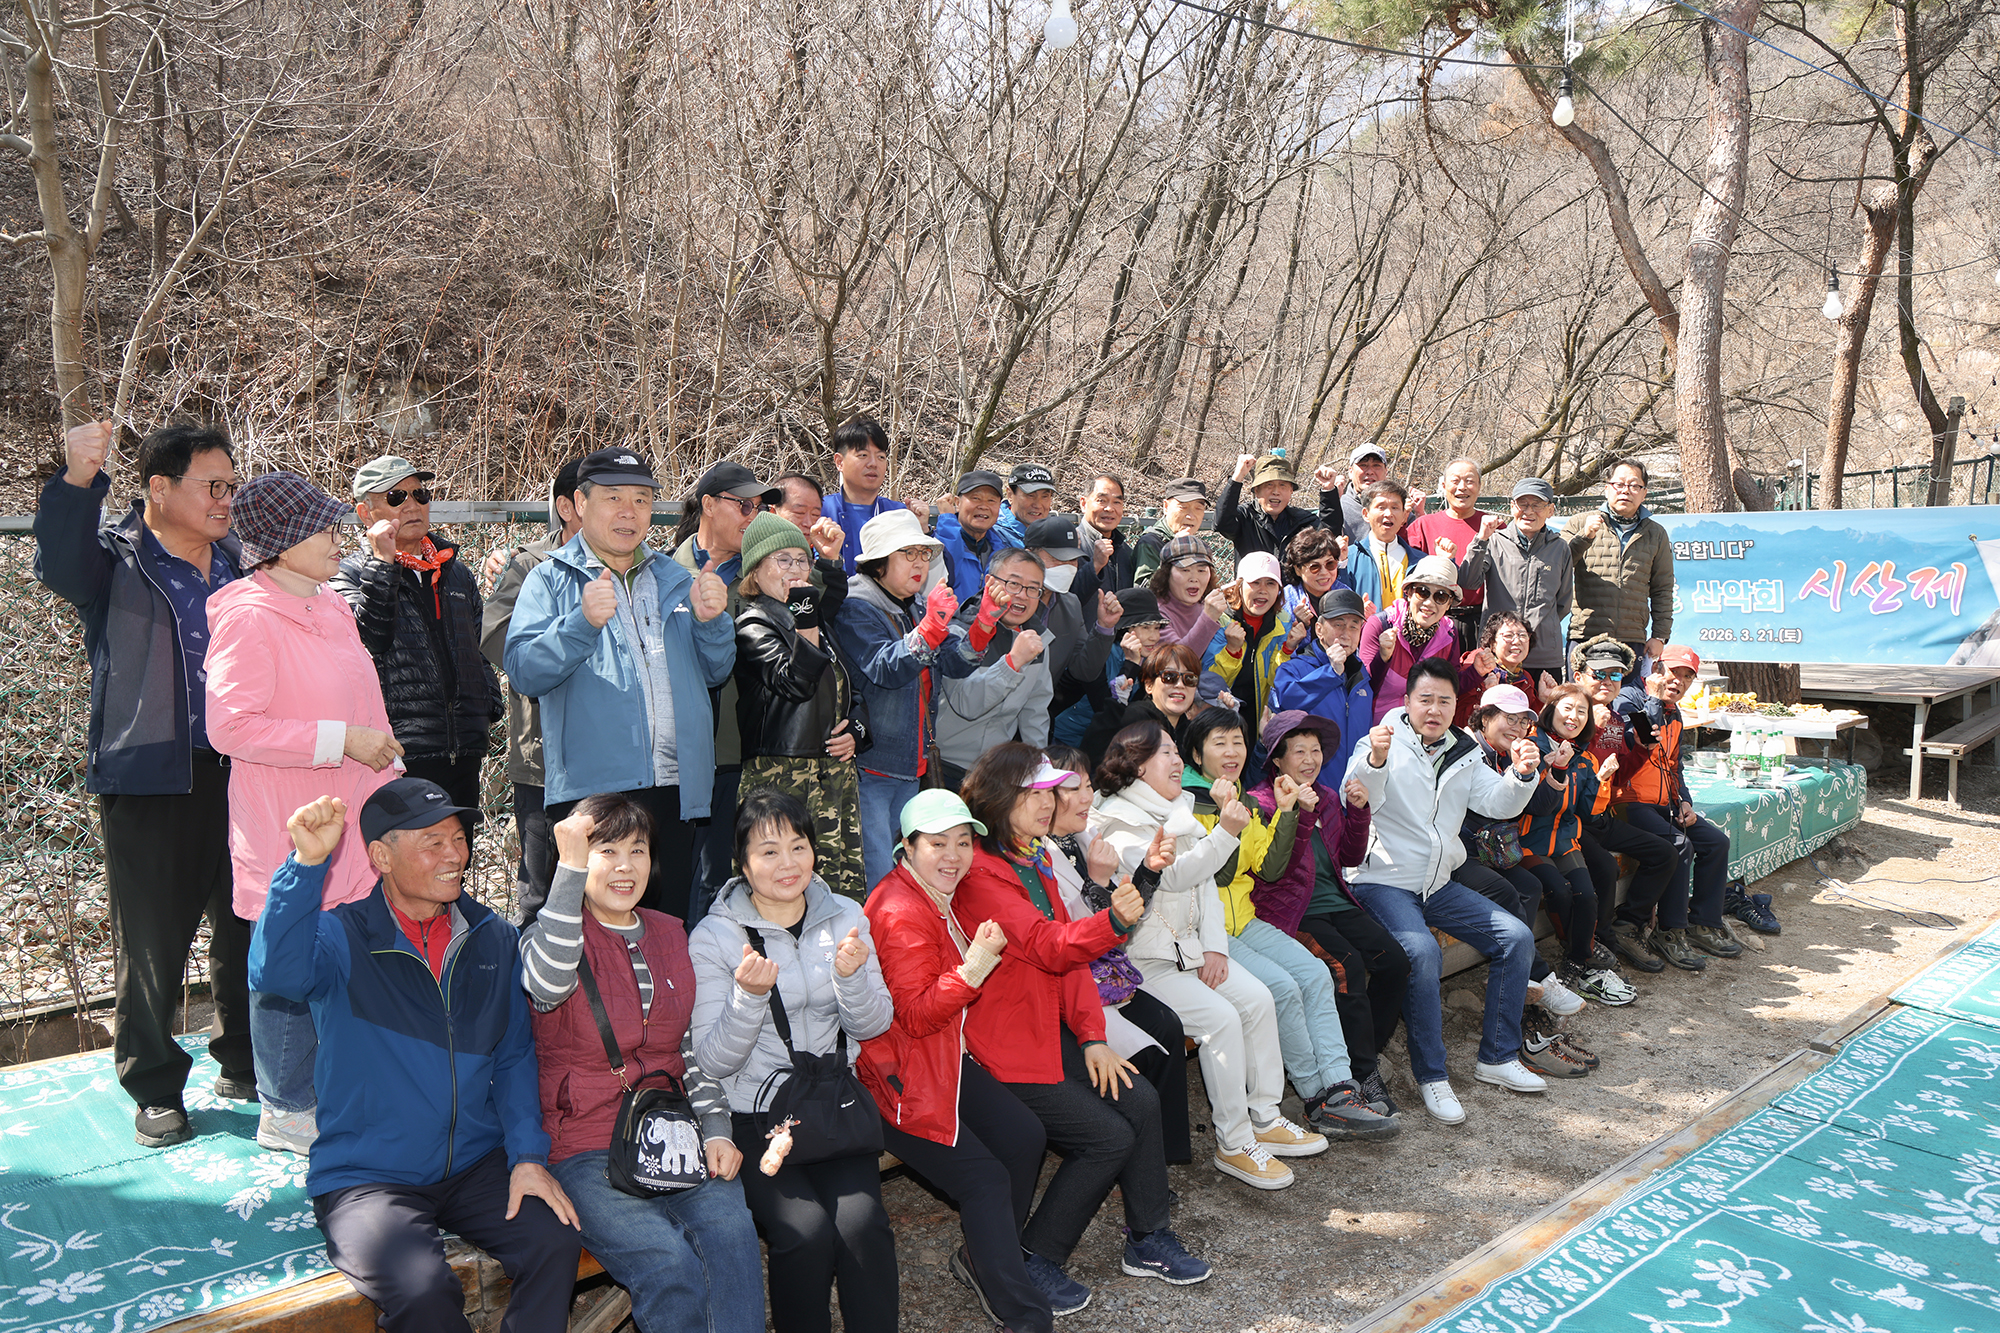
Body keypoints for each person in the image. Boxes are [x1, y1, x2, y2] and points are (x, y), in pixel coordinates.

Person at [251, 783, 583, 1333]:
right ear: (381, 856)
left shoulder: (491, 937)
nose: (456, 854)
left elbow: (515, 1056)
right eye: (433, 842)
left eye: (458, 838)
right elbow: (275, 972)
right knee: (424, 1291)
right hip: (369, 1175)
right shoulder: (341, 938)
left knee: (555, 1239)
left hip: (477, 1164)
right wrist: (306, 865)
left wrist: (527, 1156)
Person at [35, 419, 255, 1148]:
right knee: (154, 941)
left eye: (231, 485)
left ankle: (246, 1060)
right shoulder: (115, 561)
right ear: (159, 488)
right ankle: (157, 1084)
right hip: (152, 773)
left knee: (247, 923)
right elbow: (60, 564)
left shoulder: (241, 561)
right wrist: (78, 479)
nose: (226, 499)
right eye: (211, 486)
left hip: (244, 767)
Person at [950, 744, 1212, 1302]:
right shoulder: (982, 873)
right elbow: (1050, 946)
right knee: (1106, 1136)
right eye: (1033, 793)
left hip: (1049, 1029)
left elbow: (1068, 963)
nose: (1046, 804)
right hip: (1004, 1044)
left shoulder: (1035, 854)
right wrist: (1114, 920)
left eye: (1049, 791)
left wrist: (1093, 1037)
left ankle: (1147, 1235)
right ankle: (1033, 1255)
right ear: (1000, 798)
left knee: (1138, 1099)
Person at [205, 471, 408, 1154]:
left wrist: (389, 776)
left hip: (353, 813)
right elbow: (229, 726)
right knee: (289, 963)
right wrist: (339, 741)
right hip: (291, 824)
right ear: (281, 543)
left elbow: (365, 703)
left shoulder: (330, 605)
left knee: (346, 952)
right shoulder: (247, 615)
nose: (338, 537)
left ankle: (336, 1085)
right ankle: (286, 1106)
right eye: (324, 527)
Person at [519, 795, 763, 1333]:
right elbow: (545, 986)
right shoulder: (551, 935)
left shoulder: (671, 932)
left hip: (673, 1130)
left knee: (732, 1236)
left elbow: (688, 1051)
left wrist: (717, 1130)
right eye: (607, 851)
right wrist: (567, 871)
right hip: (585, 1145)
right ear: (582, 858)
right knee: (668, 1262)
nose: (625, 866)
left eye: (638, 849)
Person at [688, 789, 898, 1333]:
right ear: (742, 863)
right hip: (757, 1115)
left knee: (864, 1225)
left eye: (798, 846)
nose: (787, 864)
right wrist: (748, 997)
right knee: (803, 1234)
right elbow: (711, 1061)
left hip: (831, 1105)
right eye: (768, 851)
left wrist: (850, 981)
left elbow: (874, 1025)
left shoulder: (846, 915)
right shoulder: (715, 936)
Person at [1090, 722, 1327, 1189]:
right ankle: (1234, 1142)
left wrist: (1216, 947)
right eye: (1166, 755)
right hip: (1146, 963)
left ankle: (1264, 1117)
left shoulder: (1176, 808)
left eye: (1178, 752)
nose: (1178, 762)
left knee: (1258, 1000)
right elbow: (1171, 876)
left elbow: (1208, 889)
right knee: (1221, 1019)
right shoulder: (1116, 821)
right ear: (1137, 767)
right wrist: (1225, 834)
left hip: (1193, 950)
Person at [504, 447, 736, 918]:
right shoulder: (550, 579)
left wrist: (713, 623)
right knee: (593, 942)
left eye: (642, 500)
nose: (629, 511)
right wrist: (580, 624)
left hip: (676, 789)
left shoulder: (674, 576)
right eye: (613, 497)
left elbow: (715, 673)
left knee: (668, 931)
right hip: (593, 796)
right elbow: (525, 670)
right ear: (580, 504)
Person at [859, 790, 1055, 1333]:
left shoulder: (931, 894)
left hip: (939, 1061)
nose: (953, 855)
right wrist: (974, 967)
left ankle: (983, 1259)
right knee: (985, 1179)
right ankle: (1021, 1310)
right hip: (896, 1081)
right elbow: (918, 1016)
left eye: (963, 843)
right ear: (907, 847)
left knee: (1023, 1135)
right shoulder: (900, 912)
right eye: (937, 843)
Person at [1347, 657, 1548, 1125]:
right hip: (1383, 880)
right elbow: (1355, 791)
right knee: (1421, 952)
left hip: (1437, 882)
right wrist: (1376, 760)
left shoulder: (1464, 750)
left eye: (1444, 701)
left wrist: (1520, 775)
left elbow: (1494, 804)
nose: (1434, 709)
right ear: (1407, 701)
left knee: (1516, 937)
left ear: (1459, 706)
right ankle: (1432, 1076)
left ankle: (1497, 1057)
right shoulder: (1383, 738)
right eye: (1425, 700)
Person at [1184, 708, 1398, 1140]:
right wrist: (1228, 821)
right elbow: (1216, 877)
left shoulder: (1246, 800)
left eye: (1237, 742)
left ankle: (1341, 1086)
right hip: (1207, 930)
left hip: (1244, 920)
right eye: (1219, 743)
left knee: (1316, 975)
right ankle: (1318, 1096)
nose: (1231, 752)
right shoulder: (1188, 804)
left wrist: (1286, 814)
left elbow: (1271, 866)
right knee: (1283, 987)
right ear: (1195, 753)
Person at [1247, 710, 1408, 1117]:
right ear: (1277, 761)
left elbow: (1350, 857)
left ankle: (1364, 1052)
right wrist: (1297, 813)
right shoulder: (1262, 803)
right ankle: (1363, 1075)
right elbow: (1273, 874)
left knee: (1396, 962)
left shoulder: (1328, 797)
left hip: (1338, 902)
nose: (1309, 759)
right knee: (1348, 967)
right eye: (1298, 751)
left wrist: (1359, 812)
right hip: (1292, 914)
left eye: (1315, 750)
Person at [1040, 744, 1193, 1164]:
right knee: (1143, 1055)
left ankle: (1163, 1159)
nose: (1088, 797)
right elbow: (1072, 934)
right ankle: (1137, 1164)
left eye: (1089, 786)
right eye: (1073, 788)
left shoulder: (1084, 838)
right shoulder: (1039, 855)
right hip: (1073, 986)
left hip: (1107, 977)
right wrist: (1096, 880)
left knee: (1167, 1026)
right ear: (1042, 796)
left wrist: (1149, 870)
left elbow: (1127, 917)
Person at [334, 454, 502, 812]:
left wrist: (487, 705)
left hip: (465, 749)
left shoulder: (455, 571)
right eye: (396, 497)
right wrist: (383, 564)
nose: (412, 505)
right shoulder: (348, 574)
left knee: (456, 862)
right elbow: (370, 640)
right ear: (365, 513)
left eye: (419, 494)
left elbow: (481, 646)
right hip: (397, 755)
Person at [832, 508, 984, 888]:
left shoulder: (913, 605)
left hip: (912, 762)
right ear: (880, 562)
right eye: (908, 554)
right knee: (878, 873)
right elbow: (885, 667)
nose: (920, 564)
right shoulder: (856, 605)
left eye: (923, 554)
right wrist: (931, 627)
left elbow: (954, 663)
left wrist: (983, 627)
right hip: (872, 763)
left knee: (907, 873)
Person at [673, 460, 793, 924]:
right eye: (744, 504)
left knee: (722, 876)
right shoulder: (662, 572)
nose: (753, 515)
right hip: (676, 753)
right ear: (707, 505)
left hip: (741, 752)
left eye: (760, 507)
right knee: (673, 873)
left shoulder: (762, 576)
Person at [732, 513, 869, 901]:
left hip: (834, 778)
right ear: (756, 574)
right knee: (782, 886)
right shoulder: (753, 627)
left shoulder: (814, 623)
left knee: (838, 888)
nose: (795, 569)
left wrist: (855, 733)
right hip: (782, 779)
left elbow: (851, 691)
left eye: (800, 559)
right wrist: (807, 616)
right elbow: (795, 682)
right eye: (782, 560)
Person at [482, 458, 585, 927]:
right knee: (540, 892)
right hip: (542, 758)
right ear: (567, 506)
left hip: (615, 760)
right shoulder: (528, 565)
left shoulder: (635, 567)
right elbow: (497, 636)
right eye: (602, 498)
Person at [1611, 646, 1742, 968]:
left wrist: (1684, 800)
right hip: (1628, 800)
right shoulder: (1629, 699)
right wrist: (1655, 700)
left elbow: (1674, 764)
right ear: (1655, 668)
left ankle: (1703, 922)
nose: (1679, 682)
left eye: (1687, 677)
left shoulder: (1674, 712)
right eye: (1674, 673)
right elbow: (1645, 740)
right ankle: (1670, 931)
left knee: (1716, 842)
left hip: (1664, 801)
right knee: (1679, 845)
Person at [1568, 636, 1674, 974]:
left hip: (1601, 815)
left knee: (1665, 852)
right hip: (1570, 819)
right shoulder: (1569, 711)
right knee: (1606, 867)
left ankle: (1629, 925)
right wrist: (1589, 730)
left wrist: (1641, 748)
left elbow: (1620, 772)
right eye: (1599, 674)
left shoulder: (1615, 719)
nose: (1607, 682)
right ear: (1579, 675)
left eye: (1616, 675)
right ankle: (1598, 941)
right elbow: (1562, 764)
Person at [1530, 684, 1638, 1007]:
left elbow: (1589, 811)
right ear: (1550, 709)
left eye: (1581, 711)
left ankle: (1578, 960)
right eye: (1567, 708)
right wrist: (1553, 767)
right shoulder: (1532, 747)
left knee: (1586, 894)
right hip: (1529, 842)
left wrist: (1603, 779)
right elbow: (1532, 805)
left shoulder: (1585, 757)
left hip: (1564, 839)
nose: (1573, 716)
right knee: (1560, 891)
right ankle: (1573, 950)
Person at [937, 549, 1054, 789]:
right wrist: (1012, 663)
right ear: (989, 582)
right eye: (1013, 584)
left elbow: (1035, 710)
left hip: (995, 772)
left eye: (1033, 589)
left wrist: (1040, 769)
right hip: (944, 767)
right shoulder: (958, 633)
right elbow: (965, 704)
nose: (1023, 595)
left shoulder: (1036, 639)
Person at [1203, 550, 1306, 780]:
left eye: (1270, 583)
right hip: (1219, 718)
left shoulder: (1283, 623)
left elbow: (1276, 682)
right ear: (1239, 586)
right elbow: (1209, 683)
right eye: (1255, 582)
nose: (1262, 590)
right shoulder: (1219, 620)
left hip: (1257, 719)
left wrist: (1287, 648)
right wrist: (1232, 651)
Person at [1456, 476, 1573, 678]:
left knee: (1543, 708)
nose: (1528, 511)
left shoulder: (1560, 548)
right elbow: (1467, 580)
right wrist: (1480, 539)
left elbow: (1563, 602)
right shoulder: (1494, 541)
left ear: (1550, 510)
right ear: (1512, 507)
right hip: (1497, 653)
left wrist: (1540, 628)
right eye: (1522, 504)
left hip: (1543, 655)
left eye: (1537, 505)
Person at [1567, 460, 1675, 674]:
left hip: (1632, 639)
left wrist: (1660, 636)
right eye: (1619, 484)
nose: (1626, 491)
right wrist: (1584, 537)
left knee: (1628, 703)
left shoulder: (1656, 533)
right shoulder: (1581, 523)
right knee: (1583, 702)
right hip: (1586, 635)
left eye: (1634, 486)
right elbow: (1560, 564)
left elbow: (1662, 589)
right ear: (1607, 488)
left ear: (1644, 493)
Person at [1025, 513, 1122, 721]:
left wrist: (1104, 628)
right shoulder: (1009, 602)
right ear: (1029, 555)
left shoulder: (1070, 604)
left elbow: (1083, 670)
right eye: (1056, 558)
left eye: (1072, 560)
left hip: (1038, 717)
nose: (1066, 566)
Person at [1269, 588, 1373, 777]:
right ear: (1319, 629)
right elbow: (1285, 702)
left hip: (1353, 792)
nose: (1346, 634)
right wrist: (1330, 673)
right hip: (1311, 792)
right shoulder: (1294, 669)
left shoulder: (1362, 675)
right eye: (1338, 625)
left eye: (1354, 626)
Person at [1359, 554, 1463, 724]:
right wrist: (1383, 657)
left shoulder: (1450, 633)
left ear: (1449, 603)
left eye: (1441, 596)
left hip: (1423, 734)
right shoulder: (1380, 625)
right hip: (1378, 730)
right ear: (1408, 593)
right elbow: (1364, 689)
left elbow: (1450, 689)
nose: (1429, 603)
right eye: (1423, 592)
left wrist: (1477, 672)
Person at [820, 415, 928, 573]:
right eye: (863, 455)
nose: (873, 463)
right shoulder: (820, 510)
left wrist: (923, 529)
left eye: (881, 457)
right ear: (839, 462)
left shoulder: (899, 514)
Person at [1405, 457, 1487, 643]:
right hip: (1433, 619)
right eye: (1455, 480)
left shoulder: (1493, 526)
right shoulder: (1423, 525)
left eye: (1470, 481)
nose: (1462, 487)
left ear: (1479, 486)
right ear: (1443, 484)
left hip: (1479, 621)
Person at [1082, 641, 1202, 764]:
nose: (1180, 685)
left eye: (1189, 678)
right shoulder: (1134, 719)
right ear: (1149, 685)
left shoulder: (1191, 732)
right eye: (1169, 677)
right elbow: (1093, 754)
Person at [1216, 453, 1323, 561]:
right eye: (1269, 485)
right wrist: (1237, 477)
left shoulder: (1302, 521)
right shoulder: (1246, 516)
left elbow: (1327, 537)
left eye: (1282, 485)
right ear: (1256, 491)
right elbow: (1222, 523)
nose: (1276, 492)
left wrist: (1329, 492)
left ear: (1291, 490)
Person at [936, 468, 1020, 599]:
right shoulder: (935, 542)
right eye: (976, 498)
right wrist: (947, 520)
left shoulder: (1002, 550)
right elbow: (946, 571)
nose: (983, 506)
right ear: (957, 502)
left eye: (991, 501)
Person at [1454, 610, 1542, 728]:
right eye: (1508, 636)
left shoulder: (1525, 679)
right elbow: (1458, 721)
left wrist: (1542, 700)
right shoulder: (1474, 667)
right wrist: (1485, 694)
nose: (1517, 641)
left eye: (1522, 635)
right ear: (1492, 643)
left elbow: (1526, 725)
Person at [1342, 479, 1417, 611]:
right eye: (1381, 507)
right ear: (1366, 514)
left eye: (1395, 508)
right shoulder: (1348, 559)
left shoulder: (1418, 561)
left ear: (1405, 516)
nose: (1389, 514)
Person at [1320, 442, 1413, 546]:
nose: (1370, 471)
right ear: (1350, 471)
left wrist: (1417, 514)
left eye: (1376, 465)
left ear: (1386, 472)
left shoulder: (1400, 507)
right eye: (1363, 465)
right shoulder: (1339, 507)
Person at [1150, 534, 1229, 651]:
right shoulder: (1156, 613)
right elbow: (1179, 660)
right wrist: (1208, 618)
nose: (1194, 578)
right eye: (1185, 570)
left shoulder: (1207, 606)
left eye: (1201, 570)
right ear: (1166, 574)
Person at [1131, 478, 1210, 581]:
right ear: (1166, 506)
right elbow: (1144, 593)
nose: (1191, 516)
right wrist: (1173, 553)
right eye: (1183, 507)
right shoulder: (1151, 543)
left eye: (1198, 508)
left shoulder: (1195, 546)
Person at [1076, 474, 1134, 596]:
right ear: (1083, 504)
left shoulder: (1126, 552)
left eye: (1117, 502)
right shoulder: (1070, 547)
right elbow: (1061, 600)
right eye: (1101, 500)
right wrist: (1095, 566)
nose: (1109, 508)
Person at [1281, 525, 1351, 623]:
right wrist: (1292, 626)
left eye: (1330, 564)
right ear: (1298, 569)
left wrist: (1364, 622)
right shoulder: (1284, 600)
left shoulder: (1346, 595)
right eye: (1315, 567)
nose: (1324, 572)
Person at [997, 463, 1058, 547]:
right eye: (1030, 496)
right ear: (1010, 495)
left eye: (1045, 496)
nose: (1038, 505)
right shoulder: (993, 534)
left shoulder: (1055, 534)